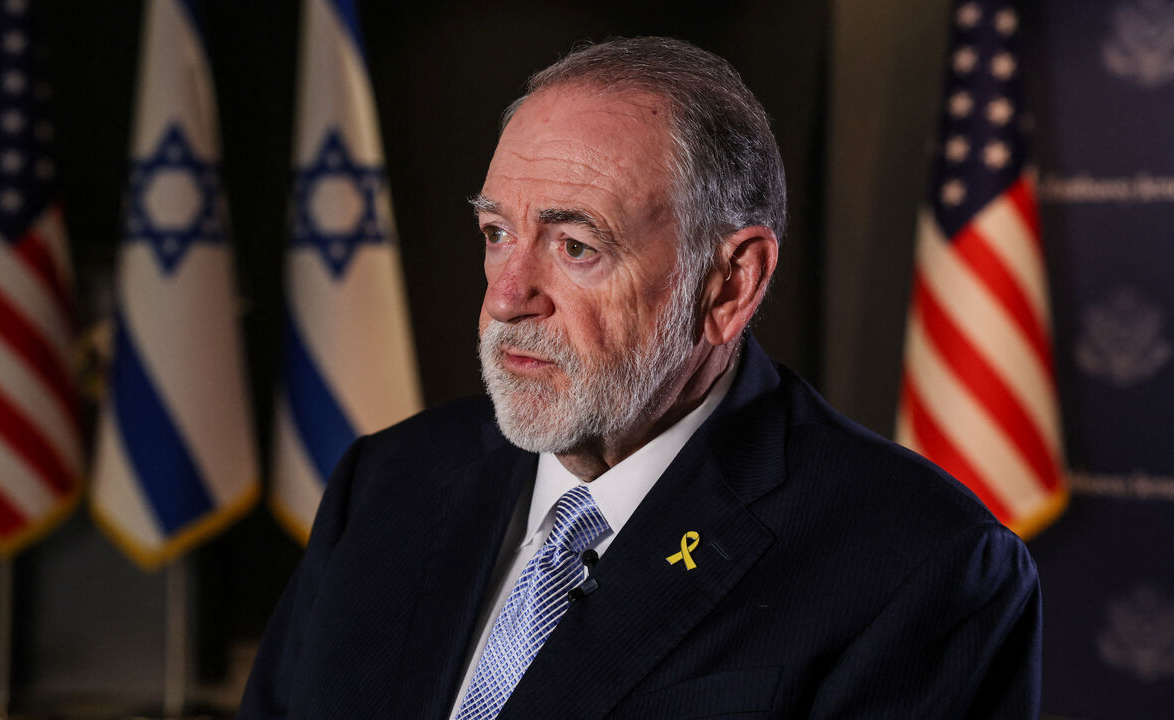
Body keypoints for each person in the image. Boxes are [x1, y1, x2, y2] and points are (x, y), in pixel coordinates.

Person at [238, 37, 1041, 719]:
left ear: (730, 284)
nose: (506, 297)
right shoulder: (386, 485)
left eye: (575, 246)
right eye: (496, 232)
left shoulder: (920, 567)